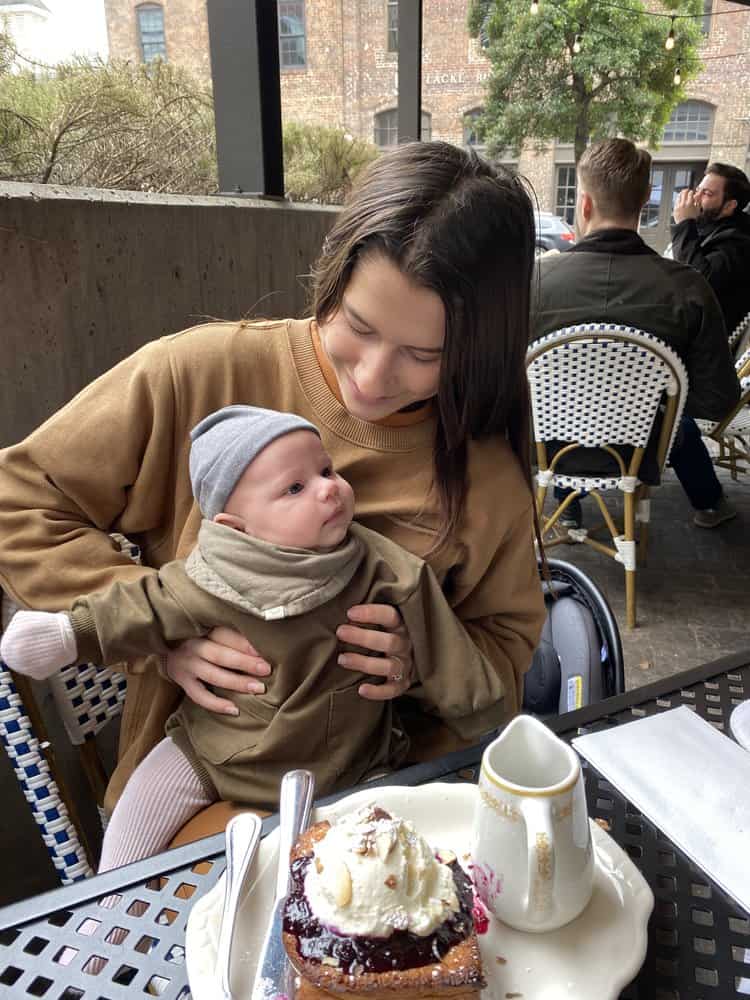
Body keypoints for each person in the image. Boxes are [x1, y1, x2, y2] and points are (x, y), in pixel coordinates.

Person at [0, 141, 546, 825]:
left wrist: (422, 659)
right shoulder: (202, 374)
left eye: (423, 355)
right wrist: (160, 631)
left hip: (390, 802)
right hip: (199, 792)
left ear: (476, 348)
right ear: (333, 277)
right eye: (357, 326)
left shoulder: (483, 474)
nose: (373, 378)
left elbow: (504, 653)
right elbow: (20, 493)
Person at [3, 404, 516, 868]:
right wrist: (71, 633)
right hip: (220, 748)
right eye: (295, 489)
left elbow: (438, 636)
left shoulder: (377, 565)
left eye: (326, 470)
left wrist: (484, 717)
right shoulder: (211, 577)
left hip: (349, 760)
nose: (328, 488)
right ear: (237, 528)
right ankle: (106, 914)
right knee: (137, 814)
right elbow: (140, 609)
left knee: (386, 856)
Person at [532, 138, 740, 530]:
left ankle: (567, 508)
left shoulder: (534, 283)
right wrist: (645, 397)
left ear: (586, 204)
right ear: (645, 201)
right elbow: (717, 400)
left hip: (549, 450)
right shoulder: (689, 287)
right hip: (642, 453)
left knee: (556, 397)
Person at [672, 163, 750, 340]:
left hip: (704, 347)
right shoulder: (705, 226)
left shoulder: (739, 241)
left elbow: (698, 283)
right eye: (698, 189)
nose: (695, 198)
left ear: (729, 206)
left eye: (707, 194)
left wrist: (684, 224)